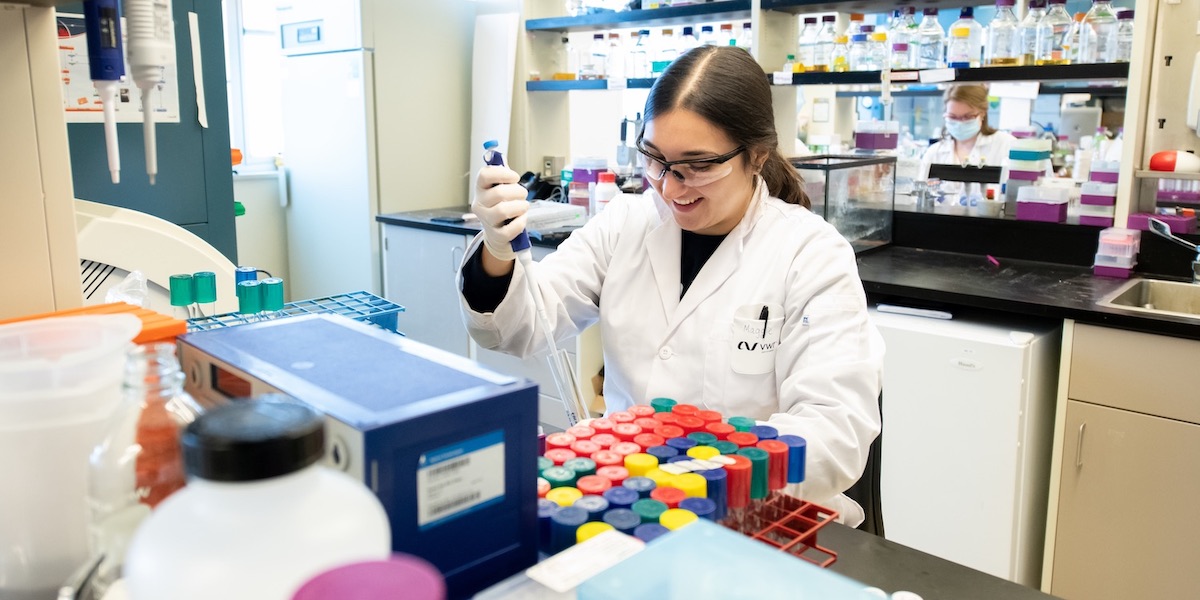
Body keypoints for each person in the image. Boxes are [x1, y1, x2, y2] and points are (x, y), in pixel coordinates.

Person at [458, 45, 883, 526]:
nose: (670, 187)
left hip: (758, 519)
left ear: (758, 155)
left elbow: (834, 434)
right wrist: (497, 247)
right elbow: (518, 327)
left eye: (698, 166)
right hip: (630, 510)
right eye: (655, 159)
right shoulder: (626, 224)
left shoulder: (811, 254)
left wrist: (686, 471)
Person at [918, 84, 1015, 180]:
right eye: (953, 117)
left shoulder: (1006, 145)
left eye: (968, 117)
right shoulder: (934, 152)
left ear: (983, 113)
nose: (960, 123)